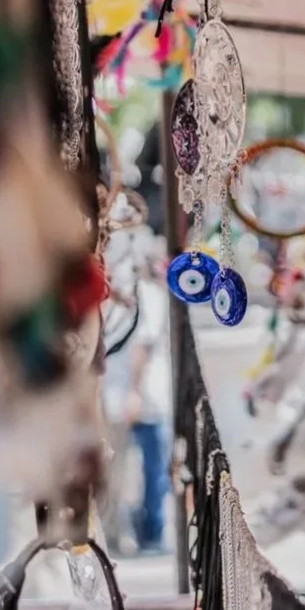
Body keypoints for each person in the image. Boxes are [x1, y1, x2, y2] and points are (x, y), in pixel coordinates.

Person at [102, 237, 172, 555]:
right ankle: (120, 534)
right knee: (118, 472)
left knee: (149, 472)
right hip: (118, 399)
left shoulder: (150, 297)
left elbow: (142, 348)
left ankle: (150, 533)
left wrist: (133, 393)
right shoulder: (113, 300)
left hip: (143, 400)